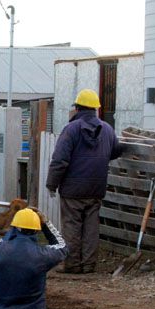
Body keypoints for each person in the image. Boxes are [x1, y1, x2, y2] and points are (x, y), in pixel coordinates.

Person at [45, 88, 123, 274]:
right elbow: (115, 151)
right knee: (91, 228)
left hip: (73, 189)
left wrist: (51, 184)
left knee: (71, 226)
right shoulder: (107, 129)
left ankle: (72, 264)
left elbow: (60, 160)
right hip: (96, 188)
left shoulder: (71, 129)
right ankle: (89, 265)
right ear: (95, 109)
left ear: (78, 108)